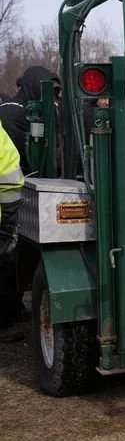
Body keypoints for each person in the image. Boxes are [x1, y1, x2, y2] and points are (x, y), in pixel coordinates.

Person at [0, 67, 49, 341]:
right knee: (7, 260)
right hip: (8, 200)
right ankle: (4, 320)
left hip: (11, 196)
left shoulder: (19, 110)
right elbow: (15, 161)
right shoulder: (13, 114)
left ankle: (12, 309)